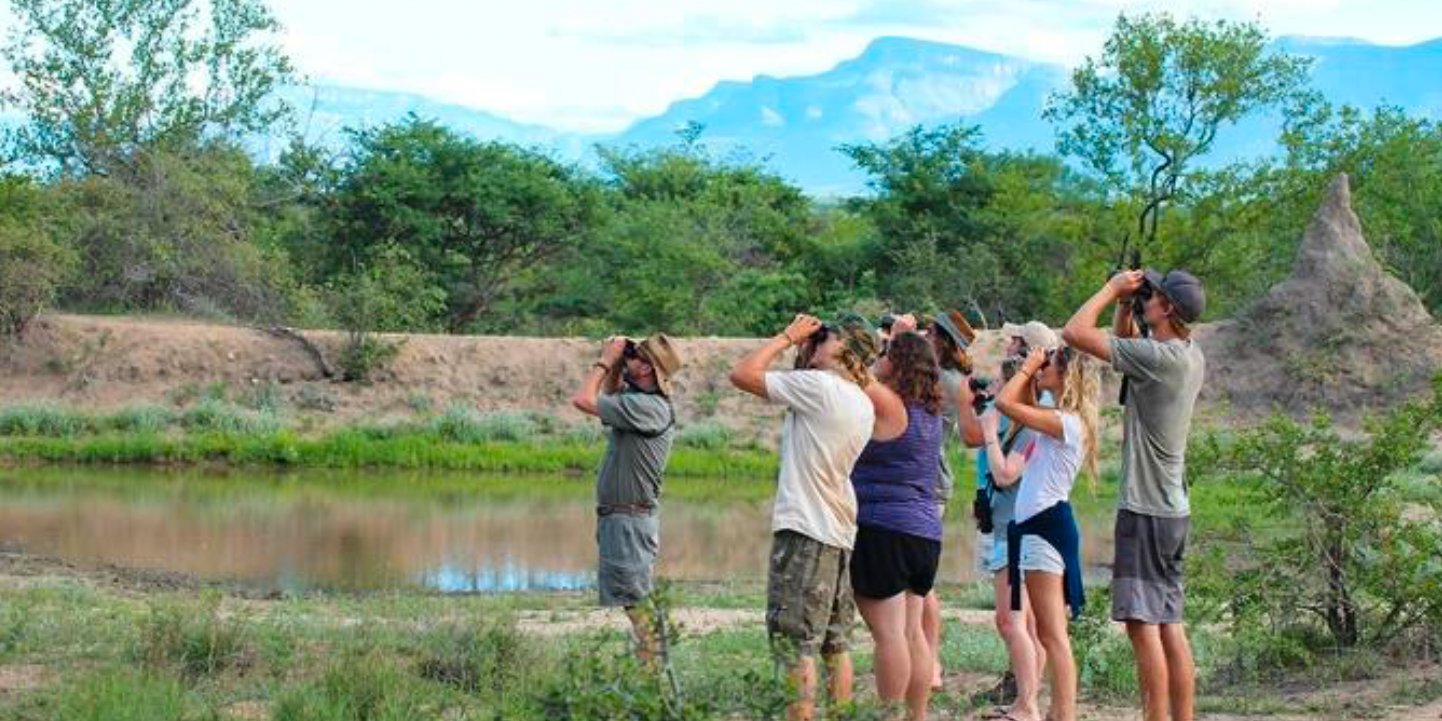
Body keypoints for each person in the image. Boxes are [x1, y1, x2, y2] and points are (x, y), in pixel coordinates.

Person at [1062, 269, 1206, 721]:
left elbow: (1074, 332)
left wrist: (1110, 290)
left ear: (1167, 309)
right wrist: (1129, 303)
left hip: (1145, 509)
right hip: (1171, 509)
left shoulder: (1159, 358)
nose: (1148, 300)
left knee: (1142, 628)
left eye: (1153, 296)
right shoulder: (1187, 353)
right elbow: (1127, 346)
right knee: (1169, 624)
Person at [730, 313, 881, 721]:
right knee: (835, 642)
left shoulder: (819, 389)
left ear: (845, 348)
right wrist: (807, 352)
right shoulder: (860, 402)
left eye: (824, 337)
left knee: (795, 644)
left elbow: (742, 374)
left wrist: (786, 337)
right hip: (838, 529)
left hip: (805, 531)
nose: (815, 340)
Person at [992, 344, 1100, 721]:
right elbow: (1018, 403)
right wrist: (1033, 371)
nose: (1041, 371)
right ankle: (1058, 712)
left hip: (1045, 528)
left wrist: (1028, 367)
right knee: (1051, 633)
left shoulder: (1065, 422)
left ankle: (1064, 714)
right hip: (1044, 527)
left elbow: (1004, 404)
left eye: (1049, 366)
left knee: (1053, 634)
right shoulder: (1059, 418)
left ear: (1065, 376)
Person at [962, 321, 1059, 711]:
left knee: (1010, 622)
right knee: (1030, 625)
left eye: (1016, 343)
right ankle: (1026, 701)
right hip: (1013, 524)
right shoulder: (1030, 405)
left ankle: (1028, 707)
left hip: (1019, 531)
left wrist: (988, 428)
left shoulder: (1038, 412)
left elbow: (1006, 472)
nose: (1008, 347)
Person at [849, 331, 946, 720]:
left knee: (889, 636)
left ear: (900, 363)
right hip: (924, 533)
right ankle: (916, 716)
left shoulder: (890, 404)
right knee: (912, 633)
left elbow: (854, 374)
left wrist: (847, 344)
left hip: (883, 528)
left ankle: (888, 714)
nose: (880, 356)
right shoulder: (931, 413)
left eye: (887, 352)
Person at [570, 333, 684, 661]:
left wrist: (605, 361)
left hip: (629, 522)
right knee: (637, 605)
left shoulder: (648, 407)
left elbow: (583, 400)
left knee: (637, 607)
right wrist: (621, 363)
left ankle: (653, 684)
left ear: (648, 368)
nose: (628, 358)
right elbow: (609, 393)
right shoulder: (640, 403)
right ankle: (654, 677)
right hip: (625, 519)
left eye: (635, 355)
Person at [927, 310, 981, 690]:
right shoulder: (955, 379)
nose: (925, 335)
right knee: (921, 577)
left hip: (926, 484)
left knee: (921, 580)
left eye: (930, 332)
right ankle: (927, 661)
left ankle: (931, 664)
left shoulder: (940, 379)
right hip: (934, 482)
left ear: (943, 341)